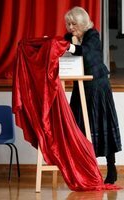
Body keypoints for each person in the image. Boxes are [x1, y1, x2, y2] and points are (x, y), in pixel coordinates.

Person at [64, 6, 122, 184]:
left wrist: (71, 46)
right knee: (79, 128)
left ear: (82, 23)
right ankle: (86, 170)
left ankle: (111, 169)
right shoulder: (70, 38)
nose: (71, 27)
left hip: (98, 87)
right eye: (69, 24)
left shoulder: (92, 35)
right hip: (80, 87)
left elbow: (87, 53)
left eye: (74, 24)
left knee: (103, 126)